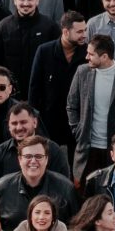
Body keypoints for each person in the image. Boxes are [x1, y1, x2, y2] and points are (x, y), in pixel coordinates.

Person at [65, 33, 115, 170]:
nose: (86, 57)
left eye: (91, 54)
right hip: (87, 149)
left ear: (104, 57)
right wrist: (77, 130)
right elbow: (71, 105)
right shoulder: (82, 72)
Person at [28, 13, 90, 151]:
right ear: (66, 32)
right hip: (49, 121)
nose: (84, 35)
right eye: (79, 31)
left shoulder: (88, 53)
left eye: (85, 30)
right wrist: (34, 119)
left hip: (78, 120)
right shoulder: (44, 51)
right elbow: (34, 89)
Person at [0, 135, 78, 228]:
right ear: (20, 159)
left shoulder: (66, 188)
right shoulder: (2, 188)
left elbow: (76, 226)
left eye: (38, 156)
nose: (33, 161)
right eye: (28, 156)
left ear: (46, 159)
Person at [0, 0, 59, 80]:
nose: (26, 3)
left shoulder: (50, 27)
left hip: (41, 85)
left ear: (37, 0)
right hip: (11, 86)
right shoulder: (3, 27)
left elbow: (58, 58)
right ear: (15, 1)